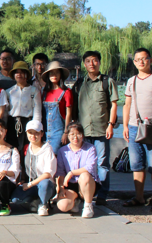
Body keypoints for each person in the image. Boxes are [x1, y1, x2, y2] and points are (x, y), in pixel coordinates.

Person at [122, 47, 152, 213]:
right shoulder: (132, 81)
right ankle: (139, 197)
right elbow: (127, 104)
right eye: (137, 59)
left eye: (144, 58)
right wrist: (125, 125)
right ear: (134, 62)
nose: (141, 62)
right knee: (136, 164)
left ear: (150, 60)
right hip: (134, 127)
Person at [73, 50, 118, 206]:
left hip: (101, 130)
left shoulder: (107, 82)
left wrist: (111, 125)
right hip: (83, 131)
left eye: (94, 60)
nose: (91, 64)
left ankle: (102, 196)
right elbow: (74, 107)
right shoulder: (79, 84)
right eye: (88, 61)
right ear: (84, 64)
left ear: (99, 62)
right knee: (83, 164)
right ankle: (85, 193)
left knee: (102, 164)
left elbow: (114, 105)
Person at [11, 120, 56, 216]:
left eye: (36, 133)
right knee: (15, 199)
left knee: (45, 184)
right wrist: (23, 180)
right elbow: (23, 166)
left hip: (44, 184)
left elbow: (48, 173)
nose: (33, 136)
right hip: (30, 184)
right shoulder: (26, 148)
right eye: (30, 133)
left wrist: (30, 184)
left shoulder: (48, 149)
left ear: (42, 134)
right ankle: (35, 201)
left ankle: (43, 204)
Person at [55, 122, 98, 218]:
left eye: (78, 134)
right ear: (68, 136)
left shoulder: (90, 148)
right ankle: (75, 201)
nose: (75, 137)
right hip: (70, 184)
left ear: (83, 135)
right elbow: (60, 172)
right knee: (63, 206)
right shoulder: (63, 151)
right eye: (72, 134)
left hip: (87, 183)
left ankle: (88, 205)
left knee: (84, 175)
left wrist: (71, 173)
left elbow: (90, 167)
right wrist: (61, 188)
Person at [5, 61, 42, 164]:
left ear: (26, 74)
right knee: (13, 148)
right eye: (17, 72)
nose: (19, 74)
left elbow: (37, 111)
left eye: (22, 72)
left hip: (28, 123)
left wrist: (35, 128)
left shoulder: (34, 91)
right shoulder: (9, 91)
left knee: (27, 149)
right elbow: (6, 111)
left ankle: (26, 171)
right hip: (12, 123)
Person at [41, 61, 73, 155]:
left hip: (58, 133)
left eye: (57, 72)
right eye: (51, 73)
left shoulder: (66, 91)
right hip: (44, 133)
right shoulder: (44, 91)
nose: (54, 75)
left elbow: (68, 114)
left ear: (61, 75)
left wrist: (66, 132)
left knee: (55, 156)